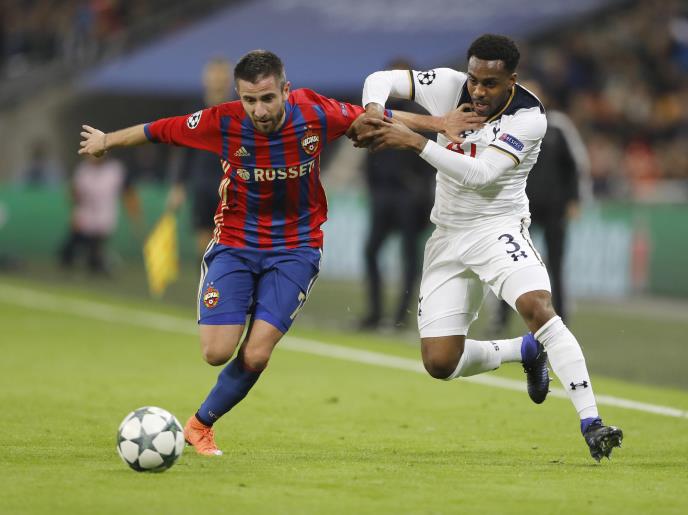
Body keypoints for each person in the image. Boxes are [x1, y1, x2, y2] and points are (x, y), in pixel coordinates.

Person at [79, 50, 391, 456]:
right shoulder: (220, 120)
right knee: (216, 352)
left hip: (295, 247)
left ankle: (199, 426)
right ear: (238, 95)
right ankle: (244, 298)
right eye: (249, 100)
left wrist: (440, 126)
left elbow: (378, 118)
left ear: (285, 90)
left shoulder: (314, 112)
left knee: (257, 354)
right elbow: (158, 130)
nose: (258, 110)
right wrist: (107, 140)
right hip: (236, 244)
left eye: (267, 98)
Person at [348, 34, 622, 461]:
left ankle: (592, 422)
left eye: (489, 83)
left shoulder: (529, 117)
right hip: (447, 235)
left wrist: (413, 139)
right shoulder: (448, 85)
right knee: (440, 362)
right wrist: (376, 113)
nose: (477, 90)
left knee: (537, 307)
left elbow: (479, 175)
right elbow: (380, 79)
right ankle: (522, 350)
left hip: (497, 229)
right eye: (474, 79)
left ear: (511, 80)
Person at [491, 80, 590, 333]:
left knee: (556, 263)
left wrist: (575, 199)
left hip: (555, 207)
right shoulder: (507, 125)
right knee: (509, 263)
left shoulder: (557, 126)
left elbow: (575, 165)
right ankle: (501, 318)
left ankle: (562, 318)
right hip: (519, 208)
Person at [359, 59, 434, 330]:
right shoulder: (377, 112)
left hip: (409, 196)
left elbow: (431, 155)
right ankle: (375, 313)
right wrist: (372, 185)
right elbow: (367, 150)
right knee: (371, 251)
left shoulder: (421, 116)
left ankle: (401, 316)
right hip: (383, 192)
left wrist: (421, 191)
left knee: (409, 256)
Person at [166, 58, 234, 257]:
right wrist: (178, 185)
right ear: (206, 79)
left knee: (230, 239)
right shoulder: (195, 110)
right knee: (204, 238)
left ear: (229, 80)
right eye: (215, 75)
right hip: (202, 183)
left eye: (222, 75)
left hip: (232, 184)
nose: (218, 80)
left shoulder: (238, 110)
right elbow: (185, 150)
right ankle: (205, 274)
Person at [59, 155, 139, 275]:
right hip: (85, 216)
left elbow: (128, 192)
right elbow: (74, 193)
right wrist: (75, 211)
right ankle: (100, 260)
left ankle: (104, 261)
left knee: (94, 255)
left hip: (104, 217)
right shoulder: (83, 169)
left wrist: (134, 215)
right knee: (67, 252)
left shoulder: (115, 170)